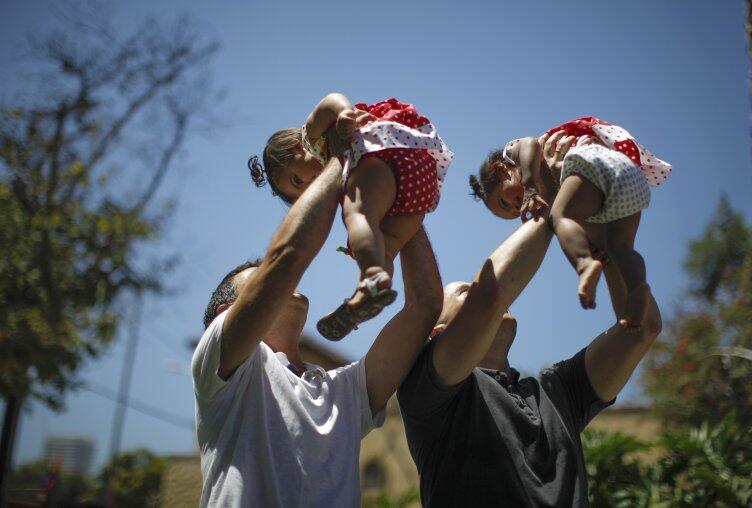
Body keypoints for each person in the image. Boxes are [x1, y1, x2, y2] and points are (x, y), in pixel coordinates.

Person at [398, 139, 663, 506]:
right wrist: (551, 196)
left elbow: (641, 329)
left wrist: (606, 233)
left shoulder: (558, 392)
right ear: (438, 335)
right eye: (464, 293)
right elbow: (490, 296)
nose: (475, 292)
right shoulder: (426, 391)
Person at [192, 154, 443, 507]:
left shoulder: (342, 394)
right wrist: (345, 155)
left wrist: (397, 195)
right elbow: (287, 258)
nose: (272, 274)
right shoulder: (222, 370)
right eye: (258, 274)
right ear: (224, 314)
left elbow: (425, 306)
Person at [249, 93, 452, 340]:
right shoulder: (337, 176)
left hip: (383, 151)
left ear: (295, 149)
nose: (310, 184)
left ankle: (372, 274)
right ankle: (367, 294)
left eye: (297, 179)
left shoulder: (311, 138)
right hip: (421, 182)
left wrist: (344, 112)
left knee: (358, 215)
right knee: (386, 244)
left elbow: (328, 102)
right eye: (302, 190)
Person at [469, 117, 671, 329]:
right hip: (632, 179)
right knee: (619, 248)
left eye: (504, 202)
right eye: (512, 213)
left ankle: (584, 263)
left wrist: (530, 186)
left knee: (560, 218)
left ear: (502, 170)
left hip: (592, 161)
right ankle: (638, 288)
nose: (516, 208)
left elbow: (529, 143)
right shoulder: (552, 189)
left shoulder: (515, 155)